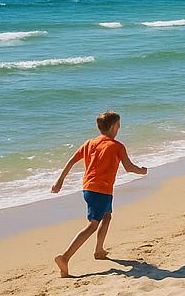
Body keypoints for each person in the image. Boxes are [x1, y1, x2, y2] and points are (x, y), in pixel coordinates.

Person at [50, 110, 147, 278]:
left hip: (90, 188)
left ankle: (99, 251)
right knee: (93, 225)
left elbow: (72, 160)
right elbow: (129, 167)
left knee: (107, 216)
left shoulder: (89, 143)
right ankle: (65, 257)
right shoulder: (117, 146)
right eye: (118, 125)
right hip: (100, 191)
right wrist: (142, 171)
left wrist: (60, 180)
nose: (119, 128)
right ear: (113, 127)